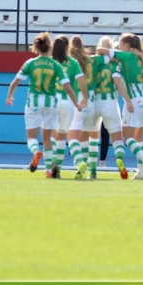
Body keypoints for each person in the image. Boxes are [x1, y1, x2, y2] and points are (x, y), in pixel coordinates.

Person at [6, 32, 79, 179]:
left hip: (33, 102)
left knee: (31, 138)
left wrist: (9, 96)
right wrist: (76, 103)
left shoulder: (30, 63)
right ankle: (48, 170)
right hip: (50, 103)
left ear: (36, 48)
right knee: (48, 139)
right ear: (49, 47)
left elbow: (14, 82)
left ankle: (35, 152)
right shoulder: (56, 64)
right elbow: (68, 87)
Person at [98, 33, 143, 179]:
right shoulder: (141, 57)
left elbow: (101, 50)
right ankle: (142, 171)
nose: (120, 46)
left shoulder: (126, 56)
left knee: (128, 137)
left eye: (121, 44)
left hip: (134, 100)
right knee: (139, 137)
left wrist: (114, 53)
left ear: (128, 45)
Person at [81, 36, 133, 179]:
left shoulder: (93, 62)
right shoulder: (115, 64)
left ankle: (91, 170)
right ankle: (120, 160)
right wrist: (128, 100)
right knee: (117, 137)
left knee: (92, 138)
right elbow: (118, 81)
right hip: (110, 101)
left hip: (94, 101)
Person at [51, 35, 89, 178]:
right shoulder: (73, 63)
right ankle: (70, 164)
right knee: (62, 134)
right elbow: (82, 82)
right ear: (67, 47)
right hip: (67, 102)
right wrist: (84, 98)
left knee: (51, 135)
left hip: (51, 101)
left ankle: (53, 166)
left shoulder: (50, 62)